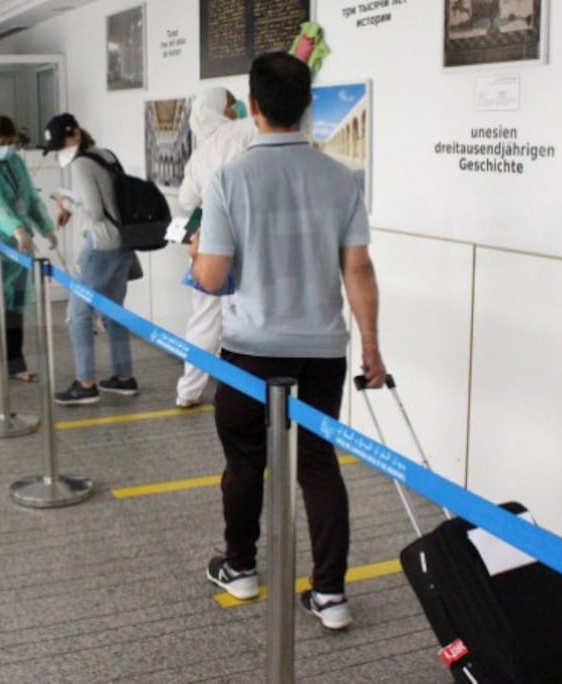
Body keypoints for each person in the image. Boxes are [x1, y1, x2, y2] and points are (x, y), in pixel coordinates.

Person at [192, 52, 386, 631]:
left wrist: (197, 249)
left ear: (252, 109)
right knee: (319, 465)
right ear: (307, 108)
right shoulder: (340, 178)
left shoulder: (231, 179)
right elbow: (358, 270)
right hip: (324, 347)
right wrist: (370, 346)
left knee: (245, 462)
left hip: (250, 347)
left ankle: (241, 567)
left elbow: (209, 277)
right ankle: (330, 595)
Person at [42, 113, 139, 406]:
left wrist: (66, 203)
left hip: (100, 244)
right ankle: (124, 377)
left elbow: (95, 212)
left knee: (77, 315)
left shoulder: (82, 163)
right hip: (123, 242)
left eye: (61, 145)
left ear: (75, 137)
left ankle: (86, 383)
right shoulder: (104, 155)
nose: (60, 152)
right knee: (112, 311)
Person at [174, 86, 256, 408]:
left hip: (208, 247)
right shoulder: (243, 132)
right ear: (222, 110)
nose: (237, 108)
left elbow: (185, 200)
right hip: (245, 241)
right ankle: (244, 394)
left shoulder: (201, 153)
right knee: (243, 321)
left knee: (204, 321)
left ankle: (187, 391)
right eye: (232, 103)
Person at [0, 115, 57, 391]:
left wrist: (45, 227)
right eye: (2, 143)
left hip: (18, 245)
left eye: (11, 143)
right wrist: (16, 228)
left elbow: (30, 198)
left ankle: (16, 365)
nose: (7, 148)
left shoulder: (15, 163)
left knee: (15, 306)